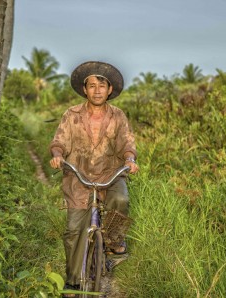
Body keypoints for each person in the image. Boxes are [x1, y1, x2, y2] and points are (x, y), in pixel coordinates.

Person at [49, 61, 139, 293]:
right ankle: (72, 282)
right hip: (78, 178)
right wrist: (57, 155)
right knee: (73, 232)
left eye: (102, 86)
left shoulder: (118, 116)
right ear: (84, 89)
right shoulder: (71, 115)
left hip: (110, 175)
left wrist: (130, 159)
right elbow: (59, 141)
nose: (97, 90)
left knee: (121, 200)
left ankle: (114, 242)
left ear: (110, 90)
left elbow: (127, 143)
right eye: (92, 86)